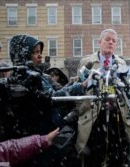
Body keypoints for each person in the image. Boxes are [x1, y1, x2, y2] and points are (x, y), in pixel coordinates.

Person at [9, 34, 88, 167]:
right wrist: (81, 86)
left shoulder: (40, 75)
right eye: (34, 52)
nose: (39, 55)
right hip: (41, 135)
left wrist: (77, 82)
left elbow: (59, 90)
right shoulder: (26, 77)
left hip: (51, 131)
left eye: (40, 52)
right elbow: (52, 98)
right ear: (23, 55)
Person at [75, 28, 130, 166]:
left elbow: (126, 89)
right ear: (99, 42)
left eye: (114, 41)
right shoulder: (87, 62)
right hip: (94, 114)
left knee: (116, 156)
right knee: (93, 156)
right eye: (107, 39)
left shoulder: (121, 63)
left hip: (115, 115)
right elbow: (78, 89)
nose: (110, 43)